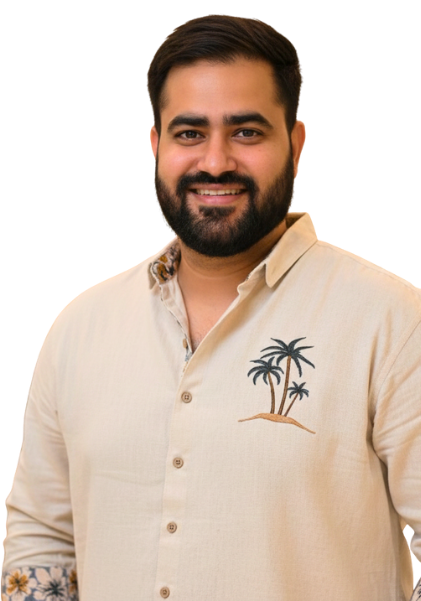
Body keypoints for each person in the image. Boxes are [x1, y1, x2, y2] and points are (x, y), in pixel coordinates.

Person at [1, 14, 420, 601]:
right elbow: (44, 541)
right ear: (155, 144)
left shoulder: (392, 321)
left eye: (246, 132)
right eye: (190, 133)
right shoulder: (81, 327)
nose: (216, 161)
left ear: (297, 144)